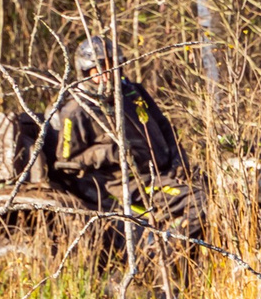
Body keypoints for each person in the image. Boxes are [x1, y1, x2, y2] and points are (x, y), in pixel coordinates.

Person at [33, 36, 185, 216]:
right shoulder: (76, 110)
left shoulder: (133, 93)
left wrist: (179, 160)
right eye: (98, 69)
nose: (106, 75)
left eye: (111, 67)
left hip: (165, 172)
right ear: (85, 71)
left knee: (214, 191)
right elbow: (66, 162)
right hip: (126, 183)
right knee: (198, 203)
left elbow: (165, 127)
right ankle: (164, 244)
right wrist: (109, 151)